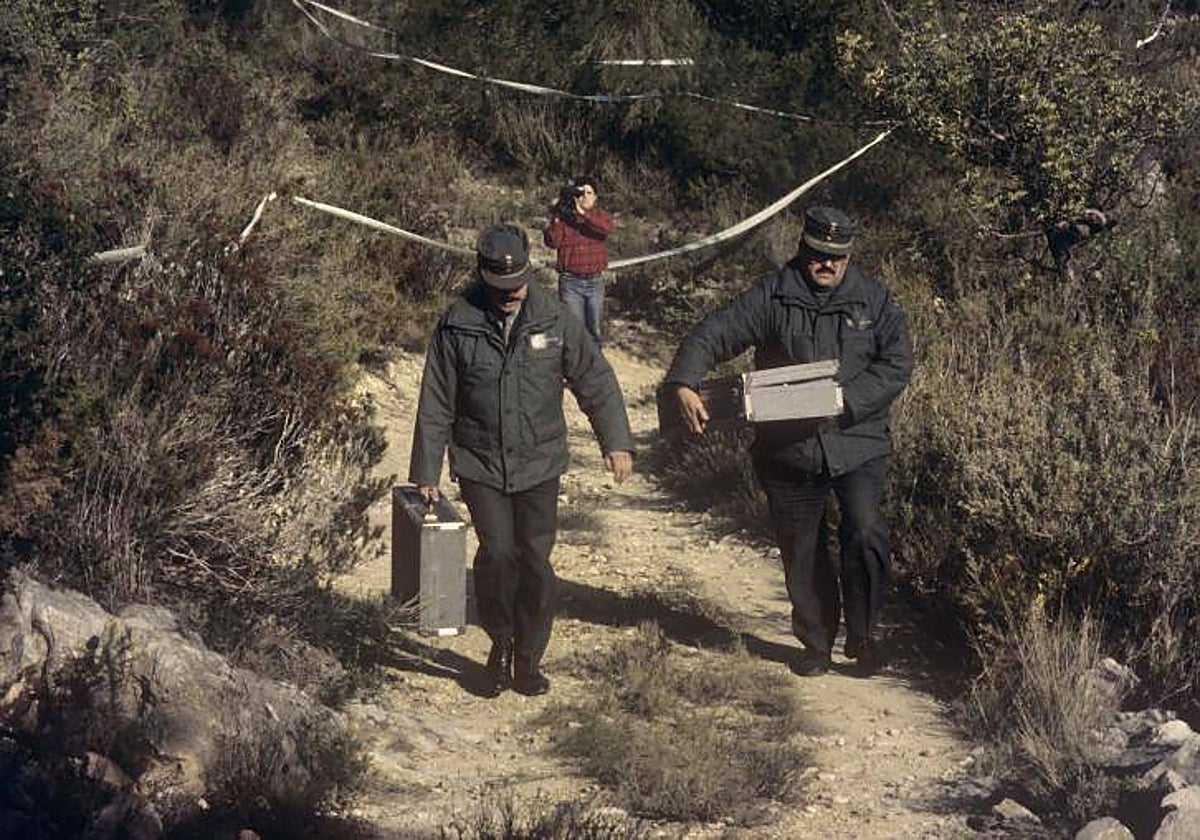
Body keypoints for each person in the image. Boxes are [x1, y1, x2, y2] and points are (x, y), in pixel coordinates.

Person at [664, 206, 913, 677]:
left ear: (849, 255)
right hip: (789, 446)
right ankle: (815, 643)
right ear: (803, 248)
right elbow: (715, 331)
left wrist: (845, 399)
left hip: (857, 439)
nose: (827, 265)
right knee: (801, 547)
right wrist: (684, 380)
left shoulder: (872, 300)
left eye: (836, 257)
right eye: (818, 254)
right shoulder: (773, 296)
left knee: (865, 531)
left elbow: (897, 362)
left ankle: (863, 636)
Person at [409, 223, 635, 697]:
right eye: (501, 288)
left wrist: (616, 440)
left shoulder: (554, 318)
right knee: (497, 554)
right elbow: (436, 401)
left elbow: (594, 378)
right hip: (480, 461)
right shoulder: (457, 324)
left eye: (518, 286)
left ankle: (529, 658)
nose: (511, 296)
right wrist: (426, 471)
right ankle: (502, 645)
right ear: (482, 277)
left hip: (539, 462)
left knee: (534, 558)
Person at [544, 176, 612, 347]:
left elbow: (605, 229)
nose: (585, 197)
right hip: (570, 282)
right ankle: (575, 366)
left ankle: (595, 366)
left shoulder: (600, 217)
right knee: (574, 328)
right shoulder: (564, 219)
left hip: (594, 282)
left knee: (594, 329)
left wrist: (583, 214)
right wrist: (556, 215)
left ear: (596, 196)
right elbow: (552, 242)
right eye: (580, 192)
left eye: (589, 193)